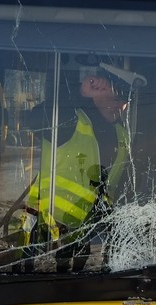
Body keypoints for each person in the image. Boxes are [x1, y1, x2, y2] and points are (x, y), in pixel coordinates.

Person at [25, 57, 144, 236]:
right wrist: (79, 92)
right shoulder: (70, 121)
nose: (121, 106)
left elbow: (121, 187)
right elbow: (34, 119)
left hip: (94, 235)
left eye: (125, 102)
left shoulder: (122, 135)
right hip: (48, 231)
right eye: (117, 98)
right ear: (96, 94)